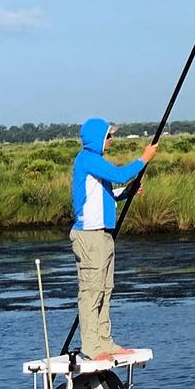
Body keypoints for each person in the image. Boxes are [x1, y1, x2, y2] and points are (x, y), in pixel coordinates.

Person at [70, 118, 158, 360]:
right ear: (97, 138)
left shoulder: (95, 162)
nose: (111, 140)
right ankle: (91, 346)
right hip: (90, 236)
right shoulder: (88, 159)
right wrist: (144, 159)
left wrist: (126, 193)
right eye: (108, 136)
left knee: (105, 289)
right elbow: (119, 174)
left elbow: (105, 194)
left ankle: (103, 341)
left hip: (103, 235)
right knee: (91, 291)